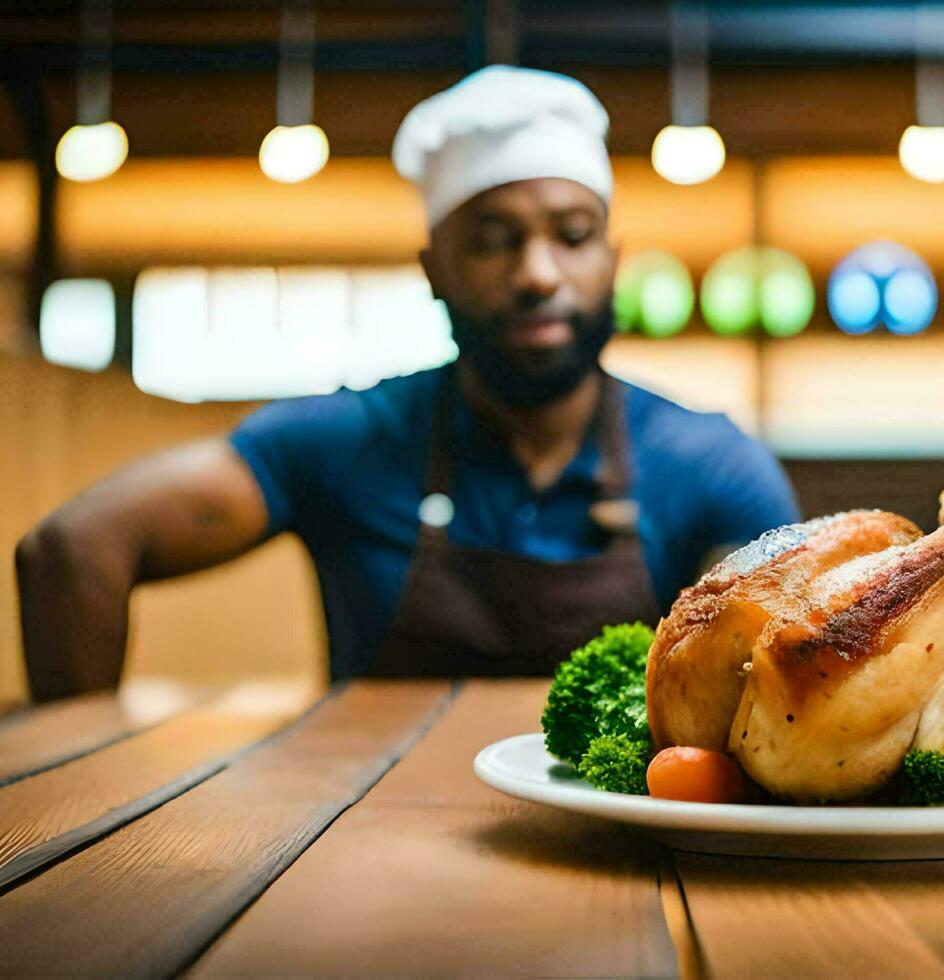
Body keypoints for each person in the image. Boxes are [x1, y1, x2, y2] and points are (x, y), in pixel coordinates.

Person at [16, 66, 799, 700]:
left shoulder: (709, 463)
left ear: (612, 258)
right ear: (435, 269)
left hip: (618, 863)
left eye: (572, 235)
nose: (537, 274)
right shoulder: (345, 439)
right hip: (358, 860)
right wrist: (83, 778)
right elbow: (73, 549)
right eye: (493, 241)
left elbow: (781, 645)